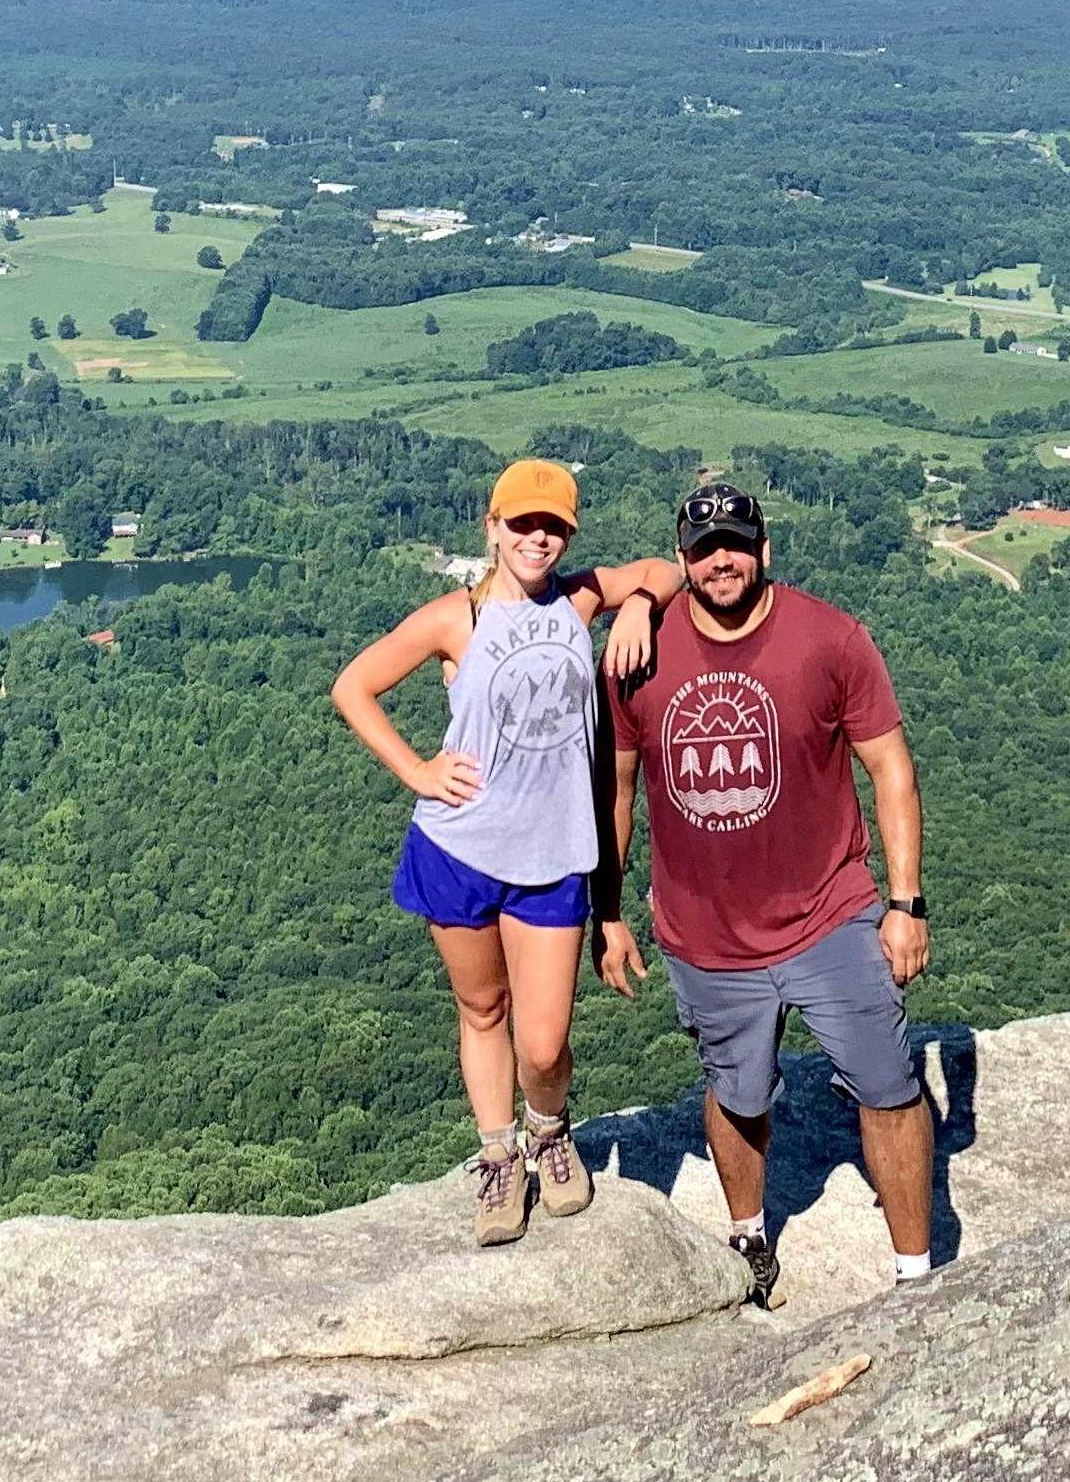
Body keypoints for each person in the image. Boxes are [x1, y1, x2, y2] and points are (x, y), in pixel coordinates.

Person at [594, 480, 931, 1306]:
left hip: (831, 910)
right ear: (680, 561)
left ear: (765, 550)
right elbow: (616, 793)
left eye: (736, 545)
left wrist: (905, 902)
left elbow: (890, 767)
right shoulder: (637, 657)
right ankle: (747, 1237)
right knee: (738, 1092)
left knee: (887, 1081)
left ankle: (917, 1278)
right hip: (705, 931)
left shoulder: (830, 638)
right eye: (704, 550)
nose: (721, 562)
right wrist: (605, 912)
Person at [331, 458, 683, 1248]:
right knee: (482, 1009)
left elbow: (665, 570)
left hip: (554, 853)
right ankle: (498, 1155)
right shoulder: (455, 617)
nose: (538, 538)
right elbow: (353, 685)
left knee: (545, 1039)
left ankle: (549, 1131)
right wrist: (416, 768)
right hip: (459, 847)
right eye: (522, 522)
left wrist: (636, 605)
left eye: (553, 525)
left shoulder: (581, 596)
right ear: (491, 528)